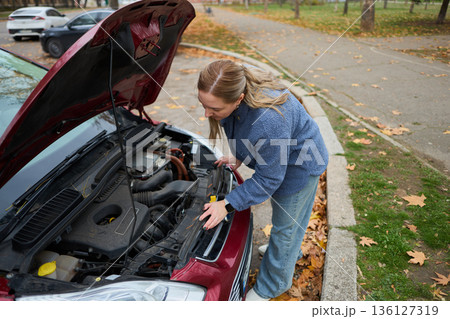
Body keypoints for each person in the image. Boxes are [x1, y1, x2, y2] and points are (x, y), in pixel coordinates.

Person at [197, 60, 328, 301]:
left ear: (239, 99)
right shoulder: (235, 97)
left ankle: (272, 286)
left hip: (300, 165)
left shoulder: (268, 122)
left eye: (213, 108)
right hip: (281, 158)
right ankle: (288, 252)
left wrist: (226, 203)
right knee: (288, 223)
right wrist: (239, 155)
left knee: (285, 228)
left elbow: (268, 179)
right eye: (203, 104)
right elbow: (240, 129)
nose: (206, 113)